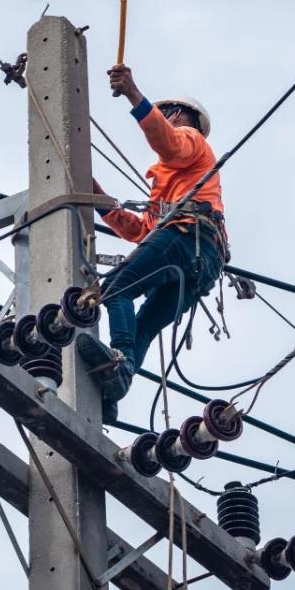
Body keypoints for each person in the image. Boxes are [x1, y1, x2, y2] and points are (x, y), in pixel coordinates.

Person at [78, 64, 230, 423]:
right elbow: (139, 231)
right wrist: (96, 196)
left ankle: (118, 361)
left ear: (180, 115)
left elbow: (170, 143)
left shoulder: (193, 142)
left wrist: (133, 93)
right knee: (143, 324)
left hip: (186, 238)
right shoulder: (170, 188)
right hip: (200, 264)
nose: (161, 119)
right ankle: (117, 384)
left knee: (115, 289)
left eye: (165, 113)